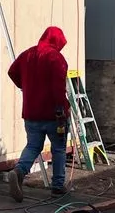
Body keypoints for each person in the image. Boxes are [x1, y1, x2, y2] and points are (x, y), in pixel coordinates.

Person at [6, 26, 71, 201]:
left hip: (31, 112)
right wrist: (62, 110)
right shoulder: (56, 58)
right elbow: (59, 88)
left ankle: (19, 171)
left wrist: (25, 86)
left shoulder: (27, 54)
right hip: (53, 115)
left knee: (33, 146)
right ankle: (57, 187)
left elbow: (12, 72)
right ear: (57, 41)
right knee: (58, 149)